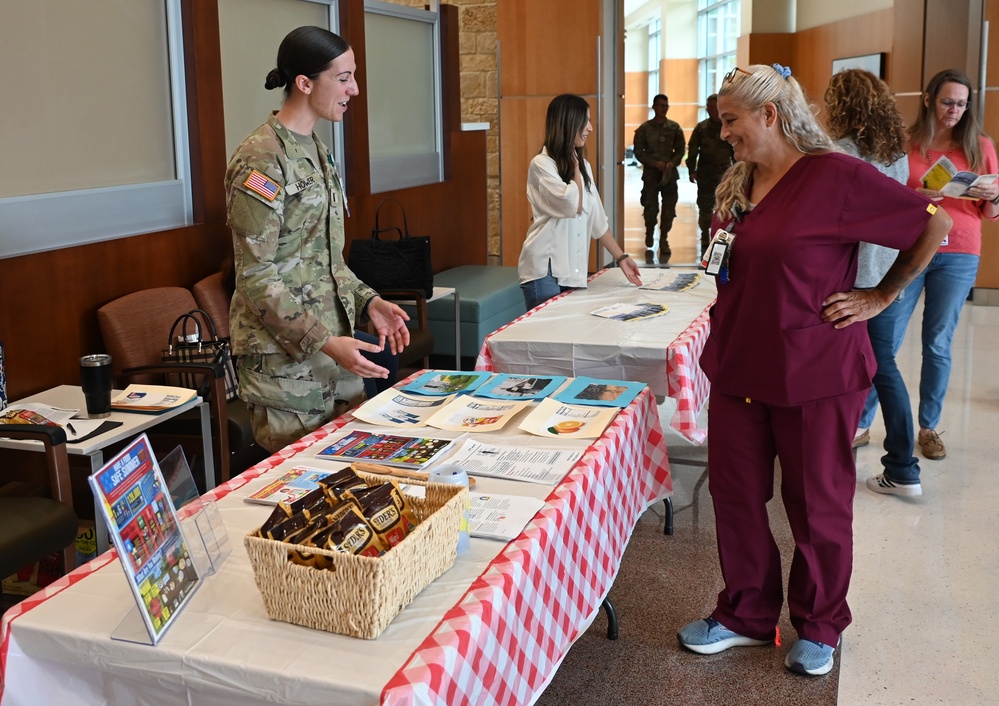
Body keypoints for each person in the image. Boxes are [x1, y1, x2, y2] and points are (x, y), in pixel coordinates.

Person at [676, 64, 950, 677]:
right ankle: (746, 614)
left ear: (769, 115)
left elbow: (936, 222)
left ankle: (820, 624)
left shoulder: (835, 177)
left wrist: (880, 297)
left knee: (816, 503)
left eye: (730, 120)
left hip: (814, 370)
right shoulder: (741, 183)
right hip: (742, 364)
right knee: (737, 497)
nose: (723, 133)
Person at [225, 26, 412, 453]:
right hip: (286, 368)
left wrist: (369, 301)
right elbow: (255, 276)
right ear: (305, 83)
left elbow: (325, 262)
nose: (355, 89)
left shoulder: (317, 150)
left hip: (333, 352)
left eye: (354, 76)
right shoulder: (261, 159)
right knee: (301, 493)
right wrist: (326, 342)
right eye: (343, 78)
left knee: (347, 485)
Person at [824, 68, 925, 497]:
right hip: (888, 277)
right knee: (882, 366)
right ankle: (891, 460)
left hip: (853, 278)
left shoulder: (840, 152)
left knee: (872, 368)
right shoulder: (894, 153)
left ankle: (902, 466)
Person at [889, 68, 999, 460]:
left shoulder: (979, 145)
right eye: (948, 102)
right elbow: (888, 195)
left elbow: (991, 213)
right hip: (912, 245)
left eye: (962, 103)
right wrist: (919, 193)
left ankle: (929, 427)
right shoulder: (907, 143)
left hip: (960, 252)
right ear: (929, 100)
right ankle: (863, 421)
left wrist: (993, 194)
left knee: (937, 342)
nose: (955, 110)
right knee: (887, 338)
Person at [518, 94, 642, 310]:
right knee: (548, 338)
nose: (590, 128)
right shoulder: (541, 165)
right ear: (569, 123)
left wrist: (621, 258)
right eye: (586, 121)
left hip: (571, 270)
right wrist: (575, 168)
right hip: (544, 270)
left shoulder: (583, 166)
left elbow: (597, 220)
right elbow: (570, 206)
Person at [633, 94, 686, 264]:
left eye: (665, 105)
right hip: (651, 175)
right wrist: (653, 162)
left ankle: (664, 239)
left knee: (669, 209)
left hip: (669, 176)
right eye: (660, 105)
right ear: (654, 107)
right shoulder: (644, 129)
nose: (663, 108)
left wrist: (672, 163)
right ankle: (649, 232)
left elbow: (680, 150)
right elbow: (639, 152)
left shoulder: (674, 127)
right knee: (650, 207)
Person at [686, 94, 734, 257]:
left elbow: (734, 150)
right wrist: (691, 169)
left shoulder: (727, 127)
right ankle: (705, 235)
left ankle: (721, 237)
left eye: (712, 106)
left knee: (725, 206)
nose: (709, 109)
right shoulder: (701, 128)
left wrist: (738, 171)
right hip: (705, 173)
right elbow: (692, 150)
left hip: (724, 174)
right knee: (705, 206)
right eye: (708, 106)